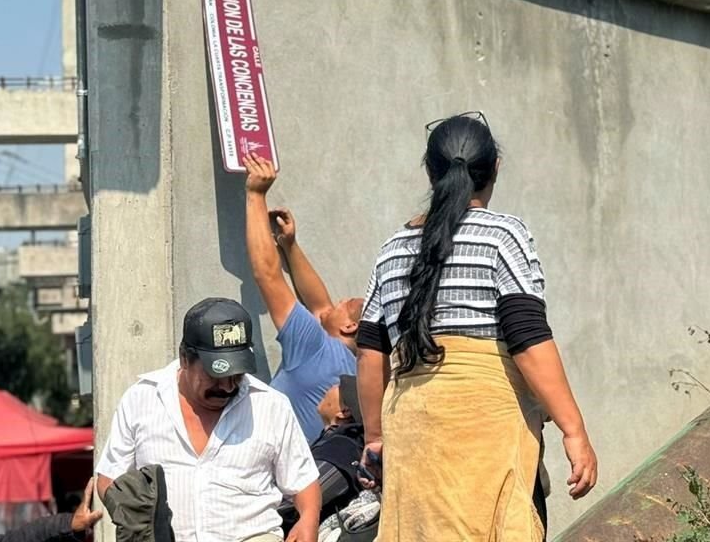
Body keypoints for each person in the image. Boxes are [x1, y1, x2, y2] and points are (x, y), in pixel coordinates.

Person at [356, 112, 598, 541]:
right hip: (483, 423)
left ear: (429, 171)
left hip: (410, 428)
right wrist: (573, 428)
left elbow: (371, 350)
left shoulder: (391, 249)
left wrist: (374, 437)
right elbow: (527, 338)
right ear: (495, 169)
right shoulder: (504, 235)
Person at [95, 297, 322, 542]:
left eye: (236, 374)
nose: (227, 386)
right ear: (185, 358)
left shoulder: (271, 405)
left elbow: (303, 480)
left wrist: (308, 521)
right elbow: (110, 479)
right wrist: (135, 516)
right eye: (216, 374)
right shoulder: (141, 399)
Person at [243, 153, 361, 440]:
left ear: (349, 327)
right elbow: (320, 305)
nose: (340, 300)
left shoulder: (315, 348)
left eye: (346, 305)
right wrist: (290, 246)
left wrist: (256, 195)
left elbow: (267, 275)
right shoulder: (352, 370)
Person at [278, 375, 368, 536]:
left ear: (344, 412)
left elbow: (290, 504)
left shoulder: (341, 449)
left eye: (340, 388)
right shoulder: (335, 442)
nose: (332, 386)